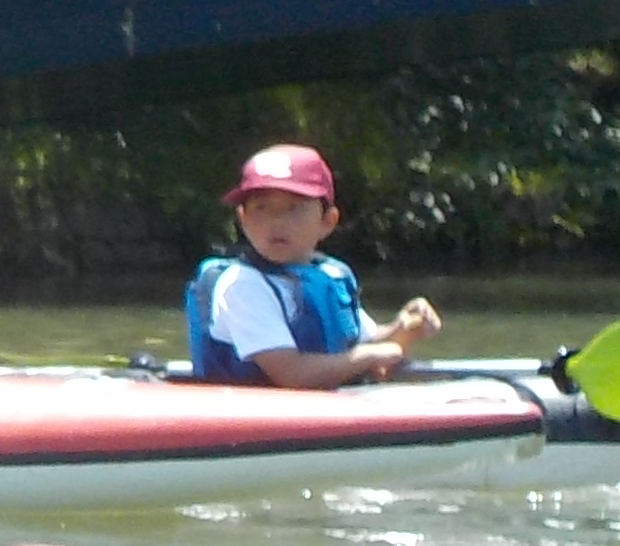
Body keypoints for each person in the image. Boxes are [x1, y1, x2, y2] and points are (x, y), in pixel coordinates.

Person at [185, 143, 442, 387]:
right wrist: (371, 356)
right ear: (243, 219)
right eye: (262, 208)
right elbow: (293, 374)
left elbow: (365, 343)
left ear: (327, 222)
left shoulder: (331, 274)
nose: (277, 221)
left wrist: (405, 327)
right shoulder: (241, 285)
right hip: (249, 419)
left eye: (294, 208)